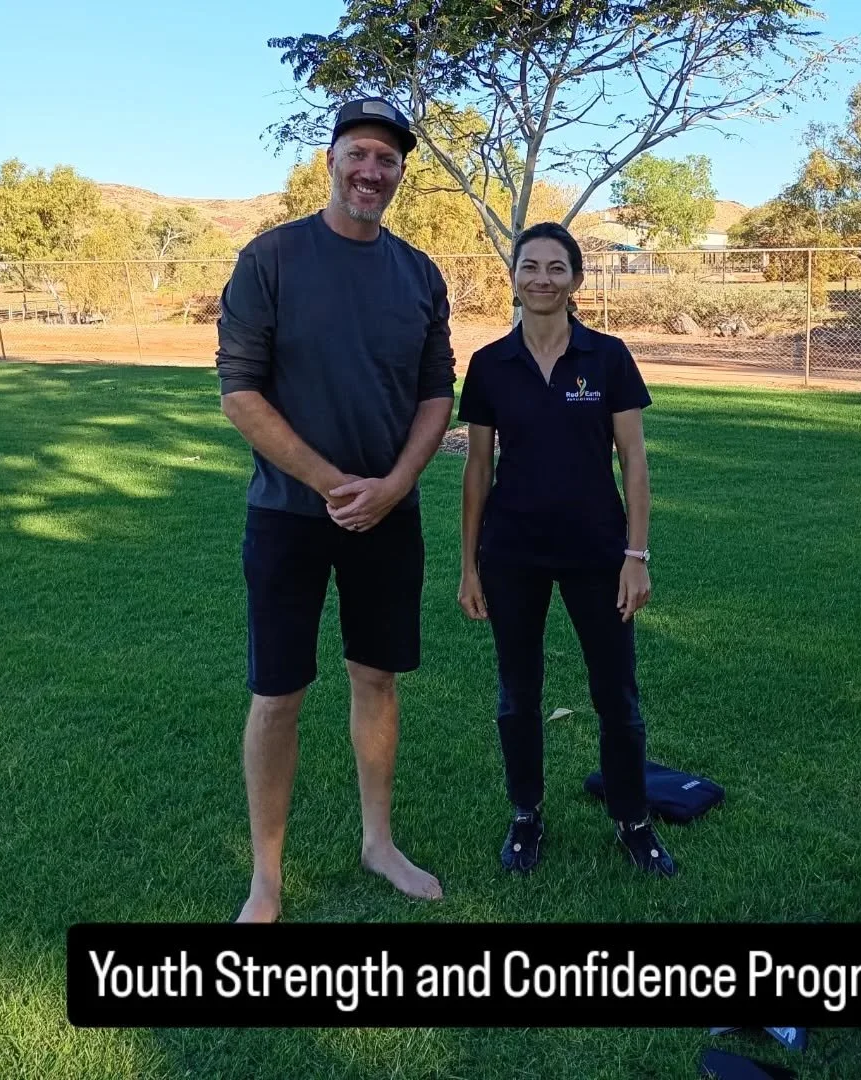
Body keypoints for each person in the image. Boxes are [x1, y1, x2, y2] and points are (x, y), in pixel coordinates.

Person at [216, 98, 455, 921]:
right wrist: (330, 483)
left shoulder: (419, 273)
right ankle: (266, 880)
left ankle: (378, 842)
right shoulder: (271, 258)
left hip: (388, 516)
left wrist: (392, 486)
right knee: (278, 693)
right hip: (288, 515)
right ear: (331, 160)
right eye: (359, 153)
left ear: (399, 173)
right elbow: (240, 393)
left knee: (376, 678)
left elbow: (436, 393)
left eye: (387, 159)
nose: (371, 171)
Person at [457, 222, 675, 877]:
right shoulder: (490, 364)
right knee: (517, 694)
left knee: (617, 695)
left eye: (557, 268)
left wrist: (636, 557)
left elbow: (634, 460)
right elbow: (478, 468)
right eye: (531, 267)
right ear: (514, 277)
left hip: (597, 553)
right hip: (512, 554)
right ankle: (526, 815)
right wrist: (469, 566)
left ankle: (633, 821)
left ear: (576, 280)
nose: (543, 279)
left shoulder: (608, 358)